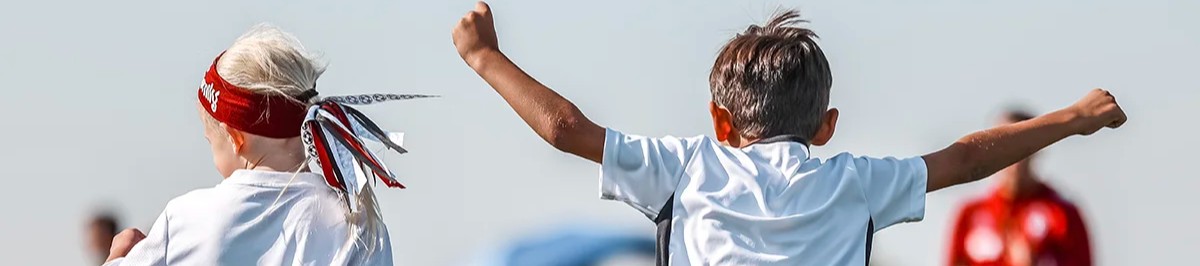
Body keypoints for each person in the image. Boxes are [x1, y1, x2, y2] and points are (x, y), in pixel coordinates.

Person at [451, 2, 1126, 265]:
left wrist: (485, 56)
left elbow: (566, 128)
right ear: (826, 127)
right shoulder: (855, 184)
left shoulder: (688, 168)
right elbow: (964, 160)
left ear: (720, 124)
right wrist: (1072, 117)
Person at [103, 24, 431, 265]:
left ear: (236, 138)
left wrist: (119, 256)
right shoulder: (358, 223)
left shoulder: (187, 219)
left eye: (210, 142)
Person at [945, 110, 1093, 266]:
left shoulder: (1062, 214)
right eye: (1002, 147)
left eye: (1020, 148)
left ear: (1038, 149)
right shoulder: (970, 214)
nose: (1012, 159)